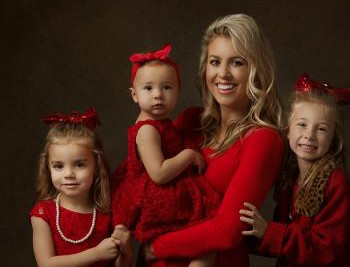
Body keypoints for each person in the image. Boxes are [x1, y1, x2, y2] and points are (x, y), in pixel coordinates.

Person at [142, 14, 284, 267]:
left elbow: (226, 232)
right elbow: (145, 181)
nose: (223, 74)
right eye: (215, 62)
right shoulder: (190, 120)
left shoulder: (263, 139)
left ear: (256, 69)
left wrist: (154, 247)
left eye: (237, 62)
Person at [239, 73, 350, 266]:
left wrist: (268, 231)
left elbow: (323, 249)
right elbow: (285, 243)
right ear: (288, 130)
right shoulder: (289, 180)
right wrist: (242, 237)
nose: (309, 135)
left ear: (333, 140)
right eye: (302, 124)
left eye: (321, 129)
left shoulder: (335, 183)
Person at [111, 44, 221, 267]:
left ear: (178, 91)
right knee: (206, 235)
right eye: (148, 88)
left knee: (201, 243)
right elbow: (159, 173)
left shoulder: (162, 124)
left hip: (163, 190)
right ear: (134, 95)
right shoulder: (147, 130)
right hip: (156, 196)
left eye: (167, 88)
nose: (158, 95)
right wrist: (189, 155)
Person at [29, 108, 133, 267]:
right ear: (48, 168)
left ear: (97, 167)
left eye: (79, 165)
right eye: (58, 166)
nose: (69, 174)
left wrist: (125, 249)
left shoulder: (107, 213)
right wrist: (96, 253)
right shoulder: (43, 213)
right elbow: (46, 264)